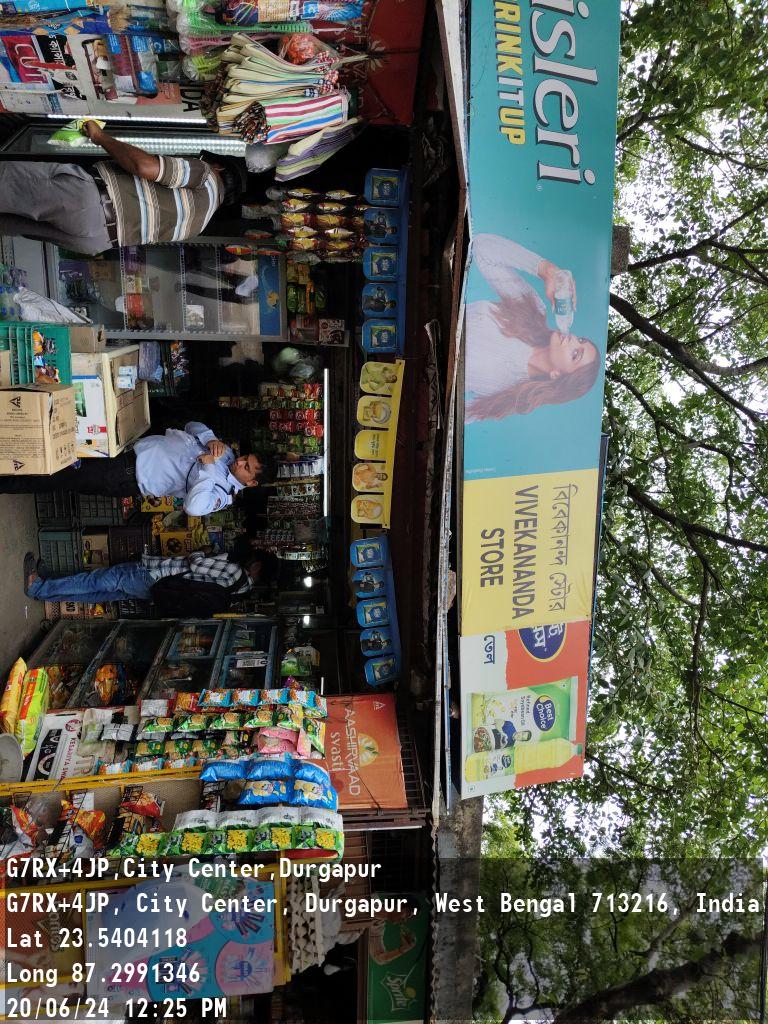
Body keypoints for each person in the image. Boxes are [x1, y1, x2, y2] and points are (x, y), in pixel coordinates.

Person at [0, 122, 247, 255]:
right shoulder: (199, 225)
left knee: (6, 183)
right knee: (8, 223)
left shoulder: (205, 175)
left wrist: (100, 137)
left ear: (219, 167)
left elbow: (144, 166)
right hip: (95, 241)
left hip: (88, 201)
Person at [0, 421, 272, 516]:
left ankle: (4, 482)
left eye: (246, 467)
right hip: (126, 449)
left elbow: (193, 508)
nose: (239, 462)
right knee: (55, 454)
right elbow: (192, 425)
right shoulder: (227, 454)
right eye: (244, 458)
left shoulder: (222, 495)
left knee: (56, 477)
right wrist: (210, 437)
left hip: (124, 475)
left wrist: (207, 470)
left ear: (251, 483)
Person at [465, 233, 600, 420]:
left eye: (575, 354)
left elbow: (453, 415)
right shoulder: (533, 311)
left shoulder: (509, 396)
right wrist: (546, 269)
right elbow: (481, 247)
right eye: (581, 340)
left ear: (557, 375)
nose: (573, 339)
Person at [23, 548, 277, 607]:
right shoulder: (240, 592)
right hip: (159, 591)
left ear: (257, 567)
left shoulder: (235, 572)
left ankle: (39, 587)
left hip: (155, 575)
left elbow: (197, 563)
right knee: (100, 593)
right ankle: (48, 591)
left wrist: (204, 551)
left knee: (96, 581)